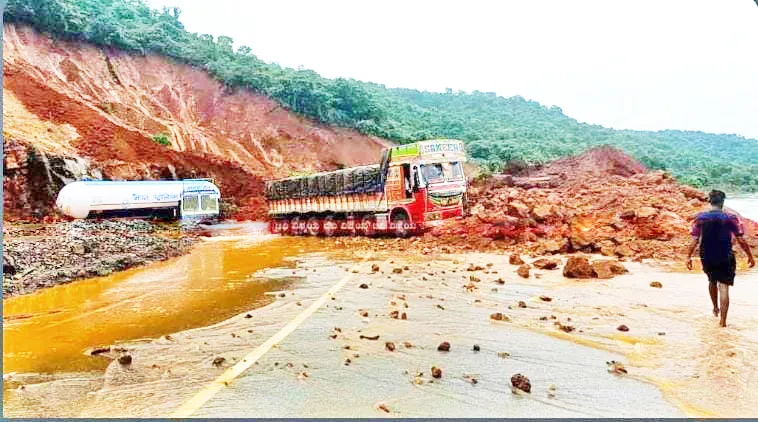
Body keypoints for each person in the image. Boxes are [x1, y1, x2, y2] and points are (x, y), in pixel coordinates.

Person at [686, 190, 754, 327]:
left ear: (709, 201)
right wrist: (750, 256)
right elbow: (740, 239)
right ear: (723, 202)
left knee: (711, 281)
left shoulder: (700, 218)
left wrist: (688, 257)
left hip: (707, 255)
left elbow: (694, 239)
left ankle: (715, 308)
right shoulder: (730, 218)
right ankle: (723, 322)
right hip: (725, 254)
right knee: (724, 286)